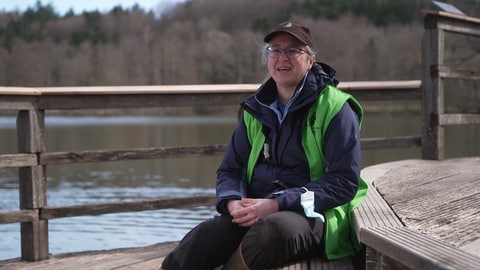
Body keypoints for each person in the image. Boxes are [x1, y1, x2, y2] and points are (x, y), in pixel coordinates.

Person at [161, 20, 368, 270]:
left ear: (311, 61)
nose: (283, 57)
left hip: (315, 214)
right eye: (275, 50)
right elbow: (230, 169)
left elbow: (343, 183)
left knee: (270, 233)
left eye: (293, 50)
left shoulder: (336, 108)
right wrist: (232, 201)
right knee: (208, 234)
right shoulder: (255, 109)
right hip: (256, 208)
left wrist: (278, 203)